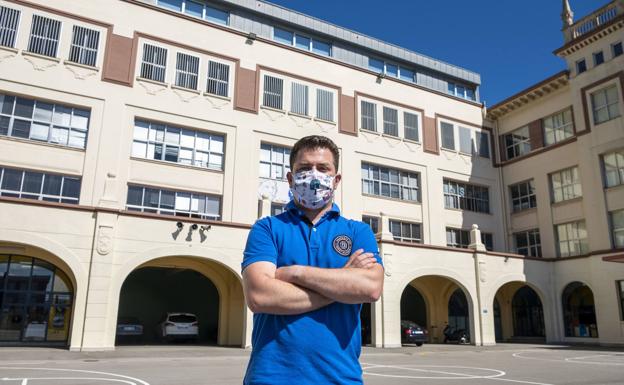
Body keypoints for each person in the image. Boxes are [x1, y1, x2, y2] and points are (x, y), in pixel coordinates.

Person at [241, 135, 384, 385]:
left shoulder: (358, 231)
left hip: (341, 378)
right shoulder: (267, 229)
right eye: (304, 168)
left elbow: (370, 288)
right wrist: (343, 284)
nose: (314, 175)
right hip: (269, 378)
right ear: (290, 178)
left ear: (336, 179)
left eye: (323, 168)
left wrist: (295, 273)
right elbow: (259, 296)